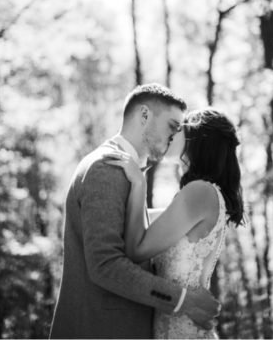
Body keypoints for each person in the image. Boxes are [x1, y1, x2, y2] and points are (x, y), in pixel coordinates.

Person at [49, 84, 220, 339]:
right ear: (144, 115)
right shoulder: (106, 168)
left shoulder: (127, 171)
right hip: (102, 330)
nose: (176, 135)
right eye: (172, 125)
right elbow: (106, 266)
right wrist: (183, 300)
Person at [103, 107, 244, 339]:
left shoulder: (199, 192)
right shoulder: (202, 195)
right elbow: (142, 219)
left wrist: (139, 184)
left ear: (197, 140)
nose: (171, 133)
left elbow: (136, 250)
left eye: (178, 129)